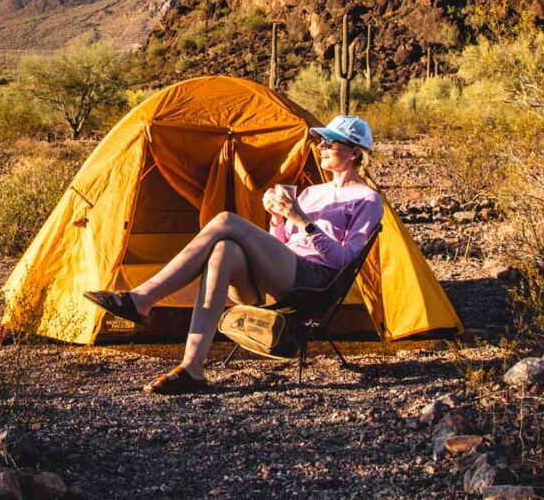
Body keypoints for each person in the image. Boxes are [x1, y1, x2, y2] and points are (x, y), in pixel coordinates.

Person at [84, 115, 384, 394]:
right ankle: (193, 368)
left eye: (330, 143)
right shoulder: (310, 193)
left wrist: (303, 221)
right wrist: (278, 219)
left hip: (314, 284)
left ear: (355, 153)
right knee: (224, 251)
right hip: (282, 275)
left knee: (226, 220)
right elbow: (281, 243)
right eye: (321, 141)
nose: (321, 147)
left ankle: (142, 299)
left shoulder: (367, 199)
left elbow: (344, 261)